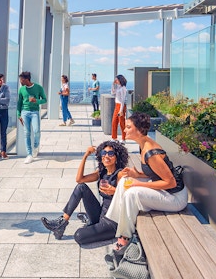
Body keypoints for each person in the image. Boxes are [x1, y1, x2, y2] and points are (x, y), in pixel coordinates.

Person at [105, 112, 188, 251]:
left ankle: (125, 237)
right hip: (164, 192)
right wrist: (138, 174)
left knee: (132, 192)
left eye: (128, 127)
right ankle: (114, 221)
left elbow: (171, 182)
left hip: (175, 198)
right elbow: (156, 172)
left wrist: (139, 183)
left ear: (138, 129)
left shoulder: (151, 152)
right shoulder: (143, 144)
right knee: (126, 179)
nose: (124, 130)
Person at [41, 141, 128, 243]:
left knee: (79, 235)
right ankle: (62, 222)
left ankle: (90, 222)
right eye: (103, 153)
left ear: (117, 157)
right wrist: (86, 155)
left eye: (111, 153)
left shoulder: (121, 174)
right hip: (101, 214)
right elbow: (79, 179)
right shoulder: (102, 173)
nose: (106, 156)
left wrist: (115, 191)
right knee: (81, 187)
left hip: (112, 222)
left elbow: (130, 195)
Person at [17, 71, 47, 164]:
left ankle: (36, 146)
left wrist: (36, 101)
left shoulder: (38, 87)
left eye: (21, 80)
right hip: (24, 112)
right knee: (27, 133)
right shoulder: (21, 89)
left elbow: (45, 100)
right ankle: (29, 154)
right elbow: (19, 103)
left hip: (34, 112)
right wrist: (18, 114)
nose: (20, 81)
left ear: (26, 79)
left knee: (36, 131)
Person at [111, 75, 127, 142]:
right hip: (116, 106)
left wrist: (121, 110)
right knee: (114, 122)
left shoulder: (123, 88)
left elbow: (123, 100)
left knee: (121, 123)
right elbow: (112, 93)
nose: (116, 81)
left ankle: (123, 139)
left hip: (121, 106)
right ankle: (114, 138)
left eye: (116, 80)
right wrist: (113, 84)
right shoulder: (118, 87)